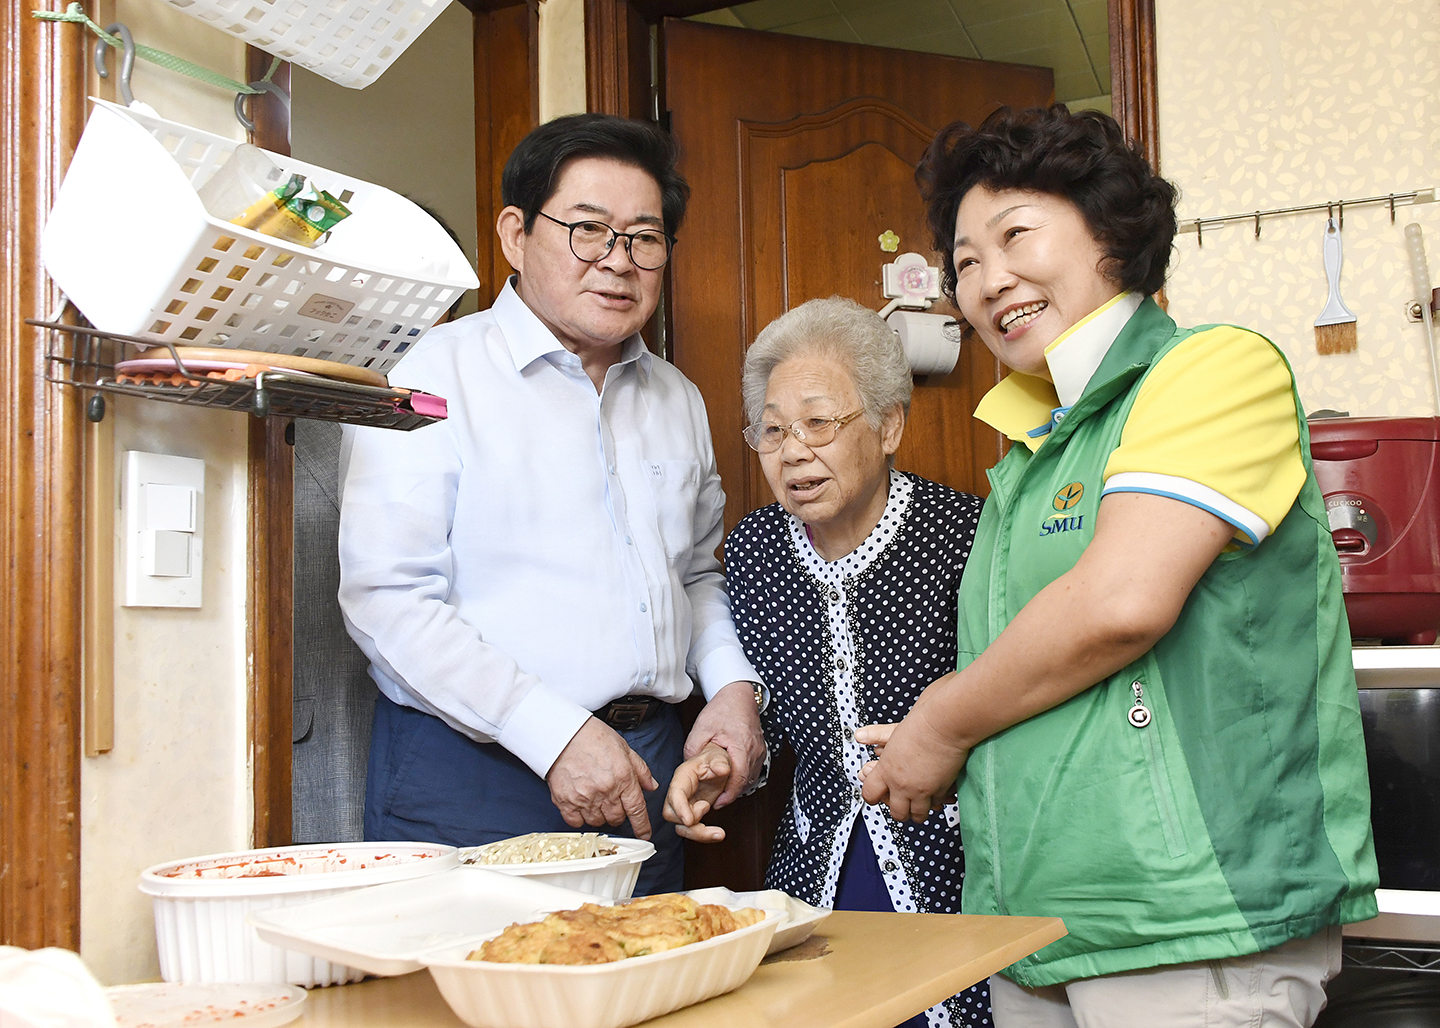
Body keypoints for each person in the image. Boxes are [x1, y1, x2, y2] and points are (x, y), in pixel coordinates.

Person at [859, 104, 1379, 1027]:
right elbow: (1047, 677)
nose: (989, 281)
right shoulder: (1027, 452)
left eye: (1017, 235)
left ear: (1111, 233)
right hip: (1035, 930)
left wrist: (938, 724)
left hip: (1190, 926)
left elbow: (1120, 603)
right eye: (967, 263)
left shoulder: (1211, 369)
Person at [337, 113, 767, 896]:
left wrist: (734, 694)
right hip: (472, 774)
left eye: (644, 237)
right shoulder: (431, 374)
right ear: (514, 234)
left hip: (647, 772)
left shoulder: (677, 398)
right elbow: (388, 600)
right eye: (588, 230)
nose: (618, 262)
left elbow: (696, 579)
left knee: (644, 1003)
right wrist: (556, 734)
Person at [664, 297, 991, 1028]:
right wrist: (726, 765)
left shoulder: (965, 534)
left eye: (819, 422)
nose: (792, 451)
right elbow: (776, 724)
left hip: (957, 870)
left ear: (889, 426)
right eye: (772, 430)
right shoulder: (755, 550)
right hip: (813, 876)